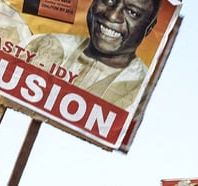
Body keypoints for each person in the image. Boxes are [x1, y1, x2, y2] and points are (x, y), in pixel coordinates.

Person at [25, 0, 161, 108]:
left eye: (132, 12)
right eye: (108, 1)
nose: (112, 15)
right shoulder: (43, 43)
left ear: (149, 27)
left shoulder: (140, 90)